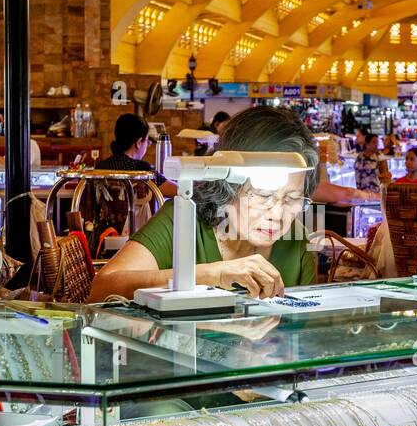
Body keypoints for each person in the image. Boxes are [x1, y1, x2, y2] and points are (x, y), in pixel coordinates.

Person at [90, 106, 319, 302]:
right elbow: (101, 289)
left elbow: (310, 331)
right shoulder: (183, 220)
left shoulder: (295, 240)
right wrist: (211, 275)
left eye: (292, 199)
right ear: (229, 184)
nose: (278, 214)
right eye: (263, 195)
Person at [98, 112, 177, 196]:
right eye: (146, 141)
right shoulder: (142, 170)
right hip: (133, 209)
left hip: (105, 209)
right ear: (139, 143)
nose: (147, 145)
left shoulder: (101, 166)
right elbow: (174, 191)